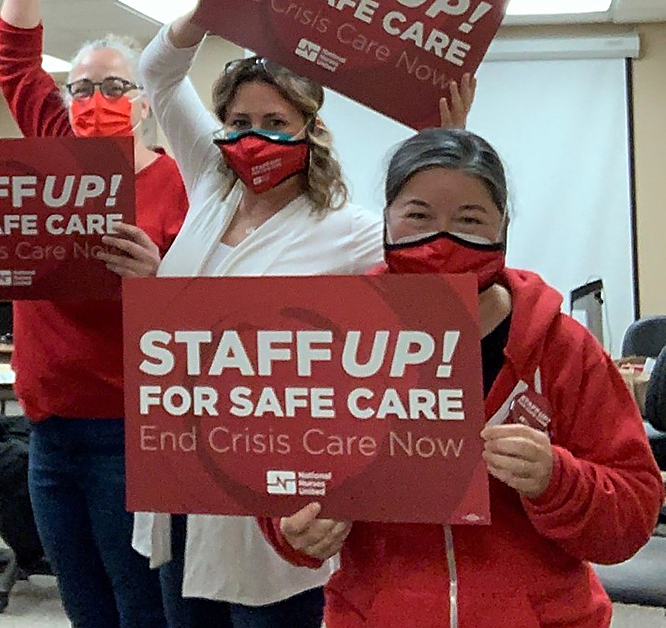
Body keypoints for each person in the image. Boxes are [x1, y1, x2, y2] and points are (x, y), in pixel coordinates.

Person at [136, 6, 475, 628]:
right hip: (182, 471)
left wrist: (442, 155)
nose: (254, 136)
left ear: (309, 128)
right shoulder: (212, 189)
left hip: (280, 486)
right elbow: (156, 74)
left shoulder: (349, 234)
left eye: (275, 121)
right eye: (239, 122)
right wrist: (203, 15)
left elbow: (441, 282)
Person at [265, 128, 664, 628]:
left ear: (503, 227)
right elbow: (283, 481)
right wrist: (295, 530)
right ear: (386, 219)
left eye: (469, 221)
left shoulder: (562, 348)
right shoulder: (333, 338)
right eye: (418, 217)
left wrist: (556, 480)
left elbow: (632, 514)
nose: (440, 241)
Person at [0, 0, 191, 625]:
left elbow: (206, 311)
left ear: (146, 100)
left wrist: (157, 275)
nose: (94, 99)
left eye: (113, 86)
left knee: (138, 601)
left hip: (128, 429)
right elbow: (15, 59)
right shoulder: (53, 159)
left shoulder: (181, 184)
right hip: (48, 428)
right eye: (80, 87)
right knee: (80, 600)